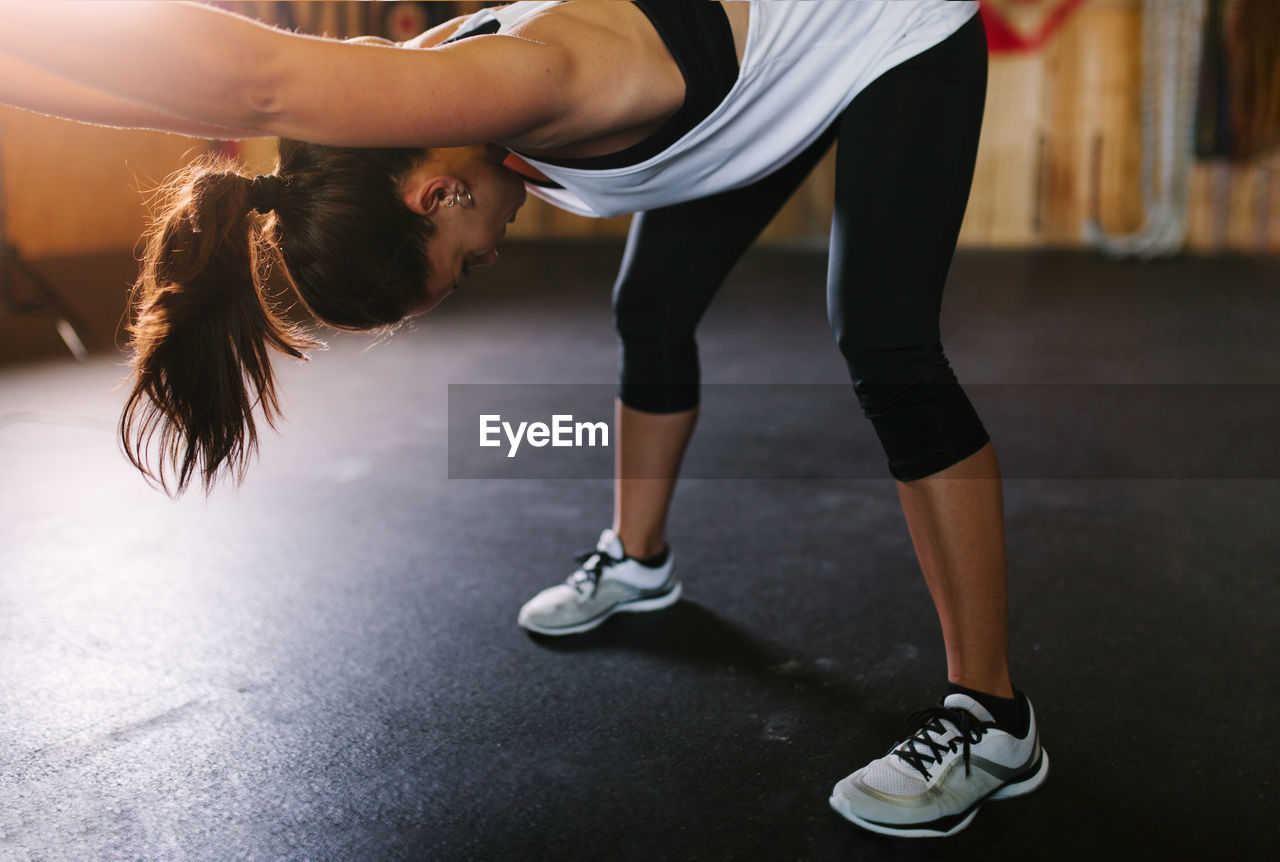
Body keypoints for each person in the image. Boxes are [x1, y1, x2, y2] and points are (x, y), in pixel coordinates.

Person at [0, 0, 1046, 838]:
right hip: (752, 89)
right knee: (649, 307)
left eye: (459, 266)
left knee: (881, 342)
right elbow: (178, 99)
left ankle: (993, 721)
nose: (485, 259)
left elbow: (253, 76)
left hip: (882, 35)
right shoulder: (401, 121)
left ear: (436, 198)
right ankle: (639, 564)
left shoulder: (530, 82)